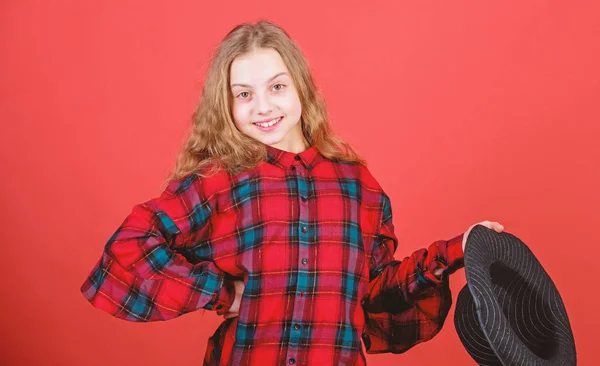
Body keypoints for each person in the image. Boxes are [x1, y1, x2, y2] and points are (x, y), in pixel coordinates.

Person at [80, 20, 504, 365]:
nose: (263, 106)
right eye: (244, 94)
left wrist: (455, 251)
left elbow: (374, 296)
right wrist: (220, 292)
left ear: (302, 87)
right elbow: (130, 249)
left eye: (277, 87)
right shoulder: (219, 181)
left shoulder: (358, 186)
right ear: (225, 106)